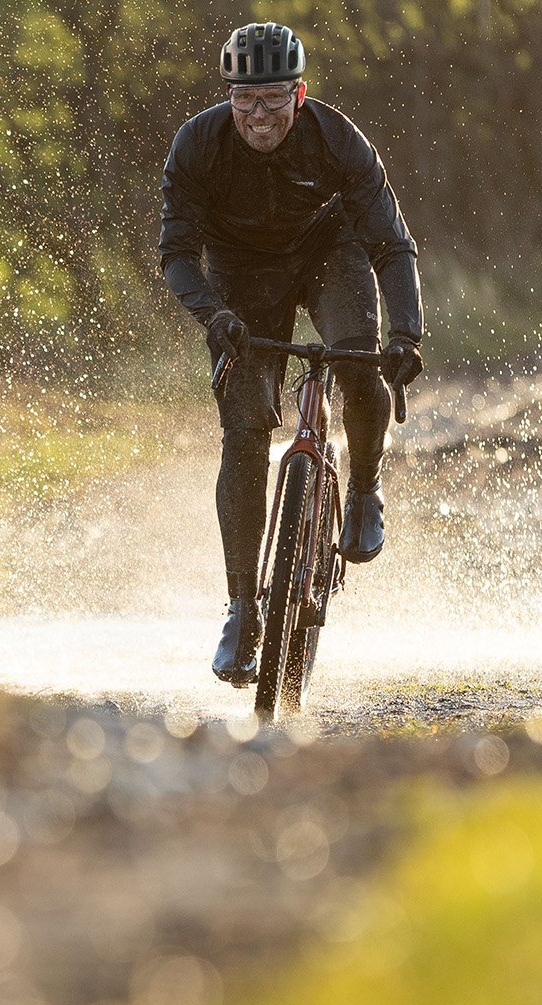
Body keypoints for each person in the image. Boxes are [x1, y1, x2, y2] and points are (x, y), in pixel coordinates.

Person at [159, 22, 425, 685]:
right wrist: (213, 315)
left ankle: (363, 488)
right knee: (245, 430)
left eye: (273, 98)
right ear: (228, 98)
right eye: (244, 100)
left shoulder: (339, 141)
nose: (258, 116)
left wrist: (408, 336)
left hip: (328, 254)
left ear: (299, 95)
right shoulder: (198, 145)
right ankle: (243, 609)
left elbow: (393, 245)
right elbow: (177, 254)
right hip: (240, 276)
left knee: (358, 364)